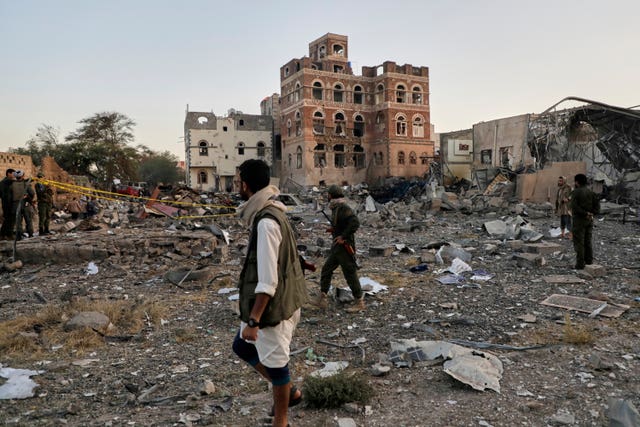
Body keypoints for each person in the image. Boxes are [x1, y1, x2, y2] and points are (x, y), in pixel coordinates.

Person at [231, 159, 307, 427]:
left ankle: (282, 421)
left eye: (238, 181)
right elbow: (285, 250)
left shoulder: (266, 222)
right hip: (284, 298)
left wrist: (254, 320)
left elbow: (267, 280)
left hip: (273, 307)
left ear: (246, 185)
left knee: (277, 368)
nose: (237, 186)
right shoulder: (274, 209)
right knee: (241, 346)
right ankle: (291, 392)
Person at [313, 185, 364, 312]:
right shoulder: (336, 207)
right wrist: (334, 230)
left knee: (350, 273)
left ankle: (359, 302)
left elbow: (354, 223)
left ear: (331, 195)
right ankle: (322, 298)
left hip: (345, 247)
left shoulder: (343, 208)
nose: (327, 196)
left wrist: (343, 236)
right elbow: (343, 224)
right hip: (337, 247)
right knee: (326, 269)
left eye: (328, 194)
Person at [570, 174, 600, 270]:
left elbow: (574, 207)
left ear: (577, 182)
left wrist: (585, 213)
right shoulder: (591, 192)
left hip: (579, 220)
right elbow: (597, 208)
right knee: (588, 241)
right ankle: (589, 261)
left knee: (579, 242)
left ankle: (580, 264)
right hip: (589, 220)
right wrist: (591, 213)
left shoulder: (576, 192)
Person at [11, 170, 35, 240]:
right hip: (25, 204)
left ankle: (19, 236)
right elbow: (32, 193)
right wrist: (29, 199)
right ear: (22, 176)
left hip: (15, 204)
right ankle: (30, 234)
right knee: (28, 220)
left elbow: (9, 195)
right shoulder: (26, 184)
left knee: (18, 221)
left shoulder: (12, 184)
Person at [0, 168, 16, 239]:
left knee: (8, 219)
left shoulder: (4, 182)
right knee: (9, 219)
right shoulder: (6, 181)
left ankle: (5, 235)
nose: (14, 175)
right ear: (9, 173)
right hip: (8, 204)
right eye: (13, 173)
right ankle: (6, 234)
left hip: (6, 203)